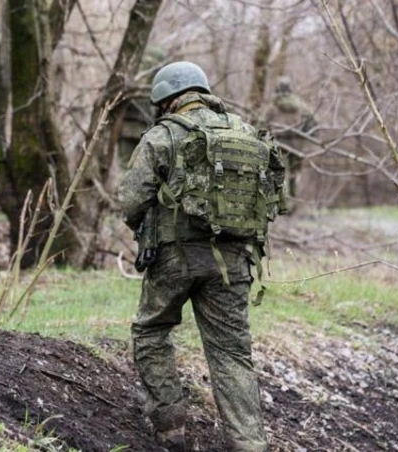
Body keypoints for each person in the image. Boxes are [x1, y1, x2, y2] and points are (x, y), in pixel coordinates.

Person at [118, 61, 287, 451]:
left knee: (151, 330)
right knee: (231, 352)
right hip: (234, 262)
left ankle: (170, 428)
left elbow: (131, 201)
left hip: (173, 257)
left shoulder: (163, 135)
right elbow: (279, 198)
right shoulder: (247, 133)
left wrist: (145, 227)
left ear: (165, 100)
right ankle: (249, 445)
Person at [261, 76, 317, 210]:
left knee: (280, 174)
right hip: (298, 146)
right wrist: (307, 139)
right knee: (295, 174)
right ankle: (293, 204)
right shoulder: (301, 106)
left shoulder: (272, 107)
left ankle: (282, 204)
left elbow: (262, 126)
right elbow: (313, 124)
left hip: (278, 145)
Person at [116, 46, 167, 169]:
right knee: (147, 167)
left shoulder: (132, 63)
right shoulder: (161, 65)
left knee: (126, 166)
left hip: (126, 125)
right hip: (149, 126)